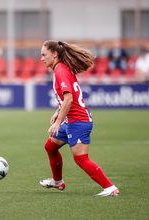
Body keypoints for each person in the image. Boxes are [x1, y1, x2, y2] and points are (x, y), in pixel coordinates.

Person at [39, 40, 119, 196]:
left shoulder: (60, 71)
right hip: (71, 120)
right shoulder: (61, 69)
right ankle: (58, 181)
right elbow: (69, 99)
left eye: (44, 55)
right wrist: (58, 111)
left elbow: (69, 99)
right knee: (50, 146)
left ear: (54, 54)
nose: (41, 58)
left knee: (81, 159)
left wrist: (58, 123)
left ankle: (110, 188)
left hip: (78, 121)